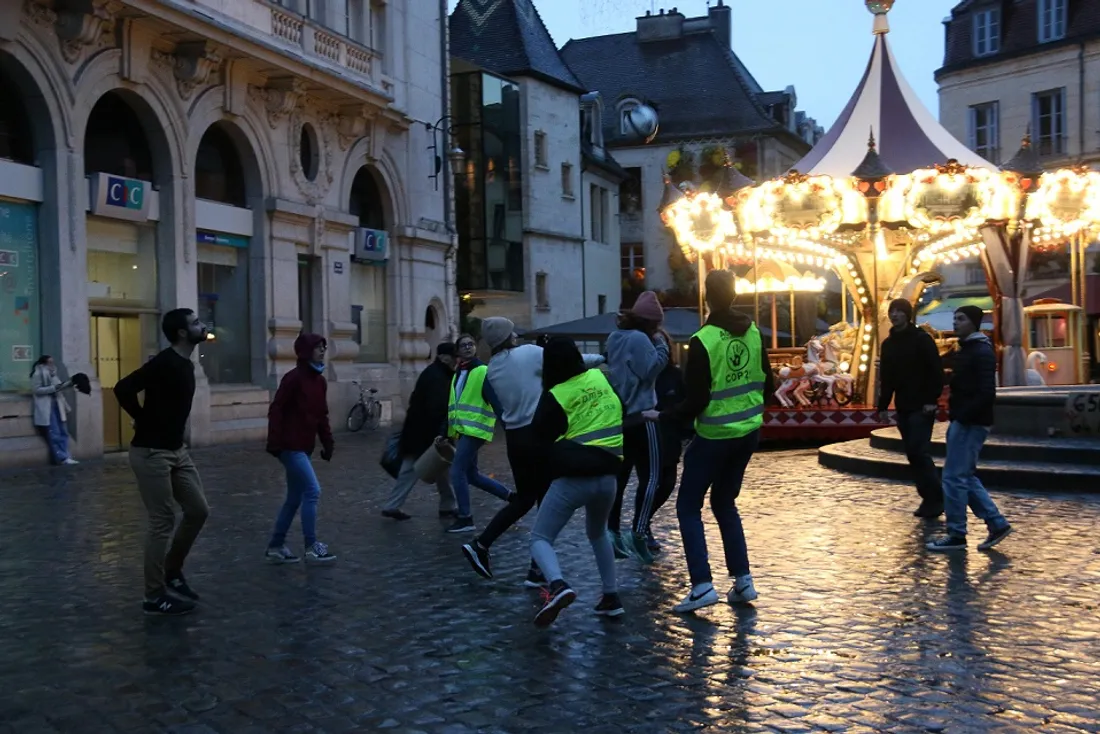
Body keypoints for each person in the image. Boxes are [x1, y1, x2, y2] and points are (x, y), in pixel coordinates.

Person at [645, 269, 774, 613]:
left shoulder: (704, 340)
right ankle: (743, 581)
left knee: (688, 506)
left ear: (706, 297)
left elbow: (696, 399)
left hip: (714, 435)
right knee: (725, 503)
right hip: (748, 432)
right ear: (734, 294)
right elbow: (769, 385)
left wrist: (665, 415)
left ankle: (702, 585)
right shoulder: (755, 333)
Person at [460, 318, 604, 586]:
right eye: (512, 331)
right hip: (539, 433)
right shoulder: (527, 354)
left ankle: (492, 550)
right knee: (547, 503)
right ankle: (527, 564)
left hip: (515, 439)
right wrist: (604, 356)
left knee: (526, 499)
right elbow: (572, 360)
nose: (516, 334)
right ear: (507, 336)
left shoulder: (493, 368)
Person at [115, 308, 210, 616]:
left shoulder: (186, 363)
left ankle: (172, 570)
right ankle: (153, 596)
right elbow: (123, 388)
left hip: (177, 451)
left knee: (198, 510)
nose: (201, 325)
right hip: (151, 453)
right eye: (195, 323)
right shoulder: (164, 362)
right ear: (182, 333)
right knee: (163, 520)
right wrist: (142, 419)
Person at [529, 336, 624, 626]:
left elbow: (538, 440)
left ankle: (557, 585)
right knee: (597, 534)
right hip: (609, 477)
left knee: (540, 538)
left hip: (573, 479)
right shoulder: (600, 378)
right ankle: (611, 597)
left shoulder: (556, 394)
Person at [926, 306, 1012, 552]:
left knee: (953, 478)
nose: (956, 322)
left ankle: (957, 533)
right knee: (963, 475)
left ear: (974, 323)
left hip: (970, 422)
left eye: (961, 319)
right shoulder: (968, 349)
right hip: (965, 419)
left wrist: (963, 415)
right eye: (955, 318)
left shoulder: (981, 352)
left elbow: (986, 391)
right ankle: (996, 523)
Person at [604, 291, 670, 563]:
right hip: (644, 417)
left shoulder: (614, 337)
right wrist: (662, 346)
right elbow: (650, 369)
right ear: (652, 323)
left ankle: (612, 533)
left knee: (619, 480)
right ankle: (639, 531)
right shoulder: (641, 339)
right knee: (651, 477)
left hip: (620, 419)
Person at [264, 333, 337, 564]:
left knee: (294, 498)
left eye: (324, 347)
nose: (322, 351)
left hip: (304, 446)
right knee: (312, 491)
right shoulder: (293, 379)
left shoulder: (320, 381)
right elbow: (276, 410)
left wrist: (327, 442)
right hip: (289, 446)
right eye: (318, 347)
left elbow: (321, 415)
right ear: (306, 351)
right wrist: (274, 442)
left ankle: (276, 546)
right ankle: (311, 546)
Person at [875, 298, 945, 518]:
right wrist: (883, 405)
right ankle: (929, 497)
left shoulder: (922, 340)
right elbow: (887, 378)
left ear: (907, 314)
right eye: (892, 311)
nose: (894, 315)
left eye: (899, 311)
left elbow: (935, 371)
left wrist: (931, 399)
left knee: (918, 450)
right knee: (912, 454)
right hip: (904, 404)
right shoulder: (888, 344)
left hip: (922, 405)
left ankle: (936, 497)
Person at [381, 342, 458, 520]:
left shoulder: (436, 373)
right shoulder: (438, 376)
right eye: (453, 356)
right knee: (422, 467)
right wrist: (442, 435)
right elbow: (437, 408)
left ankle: (448, 504)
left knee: (440, 469)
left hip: (420, 430)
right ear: (443, 357)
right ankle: (393, 505)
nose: (456, 360)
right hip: (426, 432)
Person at [446, 333, 512, 533]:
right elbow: (454, 405)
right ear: (458, 351)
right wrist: (446, 432)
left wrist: (509, 428)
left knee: (456, 472)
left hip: (476, 429)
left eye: (471, 344)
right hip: (464, 429)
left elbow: (495, 401)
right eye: (463, 345)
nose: (467, 347)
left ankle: (466, 518)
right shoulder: (459, 372)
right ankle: (511, 497)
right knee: (472, 475)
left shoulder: (482, 371)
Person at [642, 359, 690, 554]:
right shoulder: (643, 373)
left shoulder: (675, 375)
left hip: (670, 433)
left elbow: (684, 401)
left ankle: (644, 521)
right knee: (650, 481)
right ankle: (641, 527)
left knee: (668, 483)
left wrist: (685, 430)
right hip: (646, 433)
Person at [30, 356, 78, 465]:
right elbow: (37, 390)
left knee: (63, 431)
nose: (52, 364)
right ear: (43, 363)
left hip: (57, 404)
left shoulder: (53, 374)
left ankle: (66, 456)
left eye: (52, 362)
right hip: (47, 406)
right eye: (49, 362)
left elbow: (59, 385)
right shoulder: (37, 374)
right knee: (55, 433)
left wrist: (69, 383)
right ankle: (61, 457)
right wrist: (53, 388)